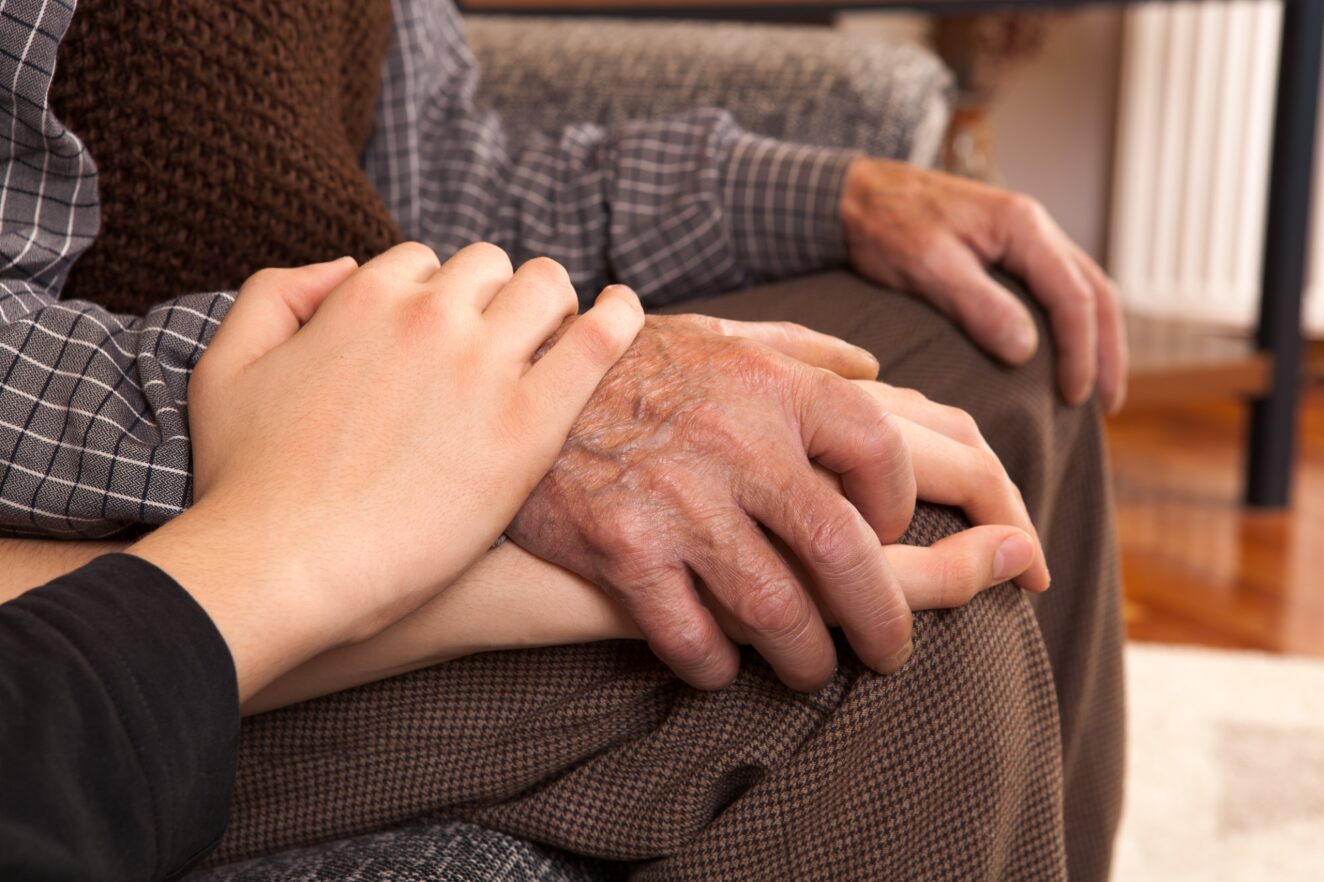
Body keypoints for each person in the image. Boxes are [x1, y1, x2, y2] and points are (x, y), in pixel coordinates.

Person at [0, 0, 1125, 879]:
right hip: (130, 540)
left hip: (363, 409)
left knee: (996, 340)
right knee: (878, 587)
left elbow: (438, 178)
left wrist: (825, 197)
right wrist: (485, 407)